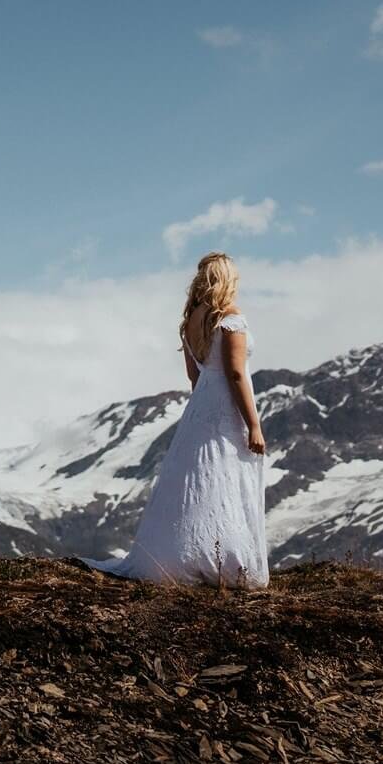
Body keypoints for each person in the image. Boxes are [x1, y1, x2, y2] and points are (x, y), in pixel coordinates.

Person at [87, 251, 269, 587]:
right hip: (226, 406)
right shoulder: (230, 319)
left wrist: (203, 406)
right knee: (224, 476)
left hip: (201, 406)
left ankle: (185, 555)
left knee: (197, 478)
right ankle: (225, 560)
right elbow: (236, 374)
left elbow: (194, 377)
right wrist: (254, 424)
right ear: (227, 281)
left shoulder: (190, 323)